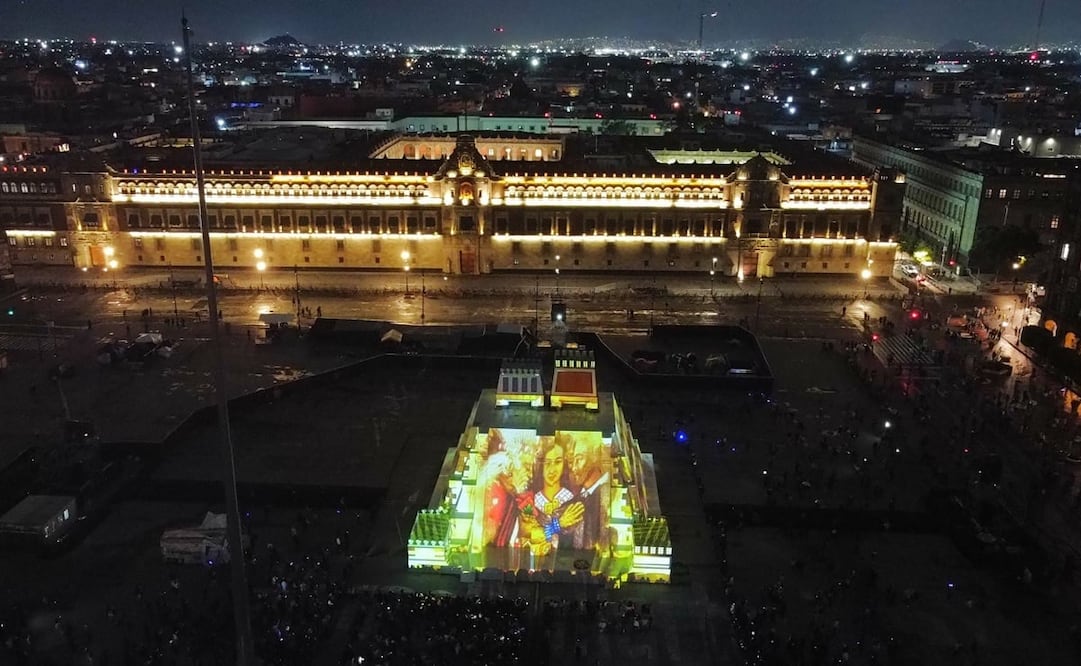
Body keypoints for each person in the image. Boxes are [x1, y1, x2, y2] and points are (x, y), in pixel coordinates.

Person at [528, 438, 585, 559]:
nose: (552, 469)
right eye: (547, 463)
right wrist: (558, 524)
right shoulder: (530, 500)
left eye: (558, 462)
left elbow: (578, 543)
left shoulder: (573, 502)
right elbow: (529, 534)